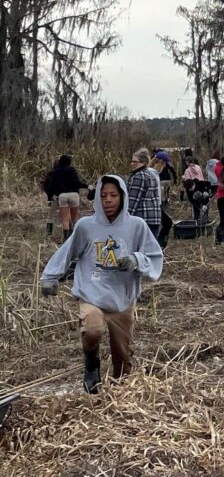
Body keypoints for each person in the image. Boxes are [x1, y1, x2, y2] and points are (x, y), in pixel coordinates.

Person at [40, 175, 163, 394]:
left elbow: (153, 256)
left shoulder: (137, 226)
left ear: (122, 197)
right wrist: (50, 277)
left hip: (122, 299)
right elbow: (67, 252)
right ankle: (91, 367)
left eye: (113, 195)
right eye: (103, 195)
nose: (108, 200)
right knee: (92, 329)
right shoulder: (87, 226)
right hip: (92, 293)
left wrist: (136, 260)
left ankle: (119, 390)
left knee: (123, 355)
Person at [44, 154, 90, 241]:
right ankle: (75, 236)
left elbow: (50, 186)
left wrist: (50, 198)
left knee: (61, 218)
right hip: (74, 195)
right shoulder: (71, 170)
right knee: (74, 218)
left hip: (60, 196)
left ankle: (64, 238)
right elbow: (77, 182)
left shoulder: (54, 173)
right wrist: (87, 186)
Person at [126, 149, 162, 241]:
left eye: (135, 162)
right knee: (152, 249)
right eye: (132, 161)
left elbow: (133, 200)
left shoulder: (139, 176)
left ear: (143, 163)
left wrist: (125, 219)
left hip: (143, 219)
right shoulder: (151, 174)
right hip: (154, 218)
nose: (132, 163)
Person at [182, 157, 207, 221]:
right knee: (204, 203)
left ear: (187, 162)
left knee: (196, 206)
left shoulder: (187, 171)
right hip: (201, 186)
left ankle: (196, 220)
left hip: (193, 189)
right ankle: (205, 219)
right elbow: (201, 176)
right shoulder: (198, 167)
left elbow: (188, 182)